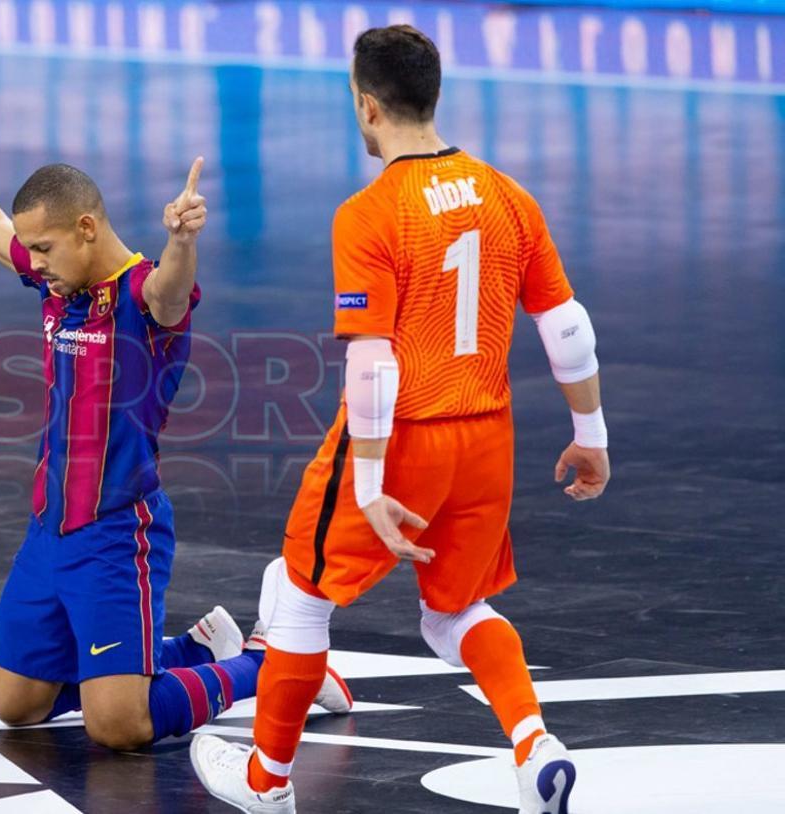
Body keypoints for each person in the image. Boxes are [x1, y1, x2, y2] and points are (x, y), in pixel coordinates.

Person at [190, 26, 609, 814]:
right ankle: (532, 745)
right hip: (487, 437)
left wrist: (374, 480)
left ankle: (267, 783)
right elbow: (568, 329)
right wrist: (592, 438)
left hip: (402, 437)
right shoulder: (509, 197)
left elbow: (374, 363)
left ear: (368, 106)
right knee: (457, 611)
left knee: (300, 594)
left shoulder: (371, 214)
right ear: (434, 95)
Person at [0, 81, 349, 752]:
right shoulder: (57, 279)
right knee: (14, 705)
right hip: (49, 527)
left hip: (117, 532)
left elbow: (172, 292)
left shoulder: (142, 300)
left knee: (117, 726)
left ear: (86, 229)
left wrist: (181, 242)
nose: (31, 264)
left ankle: (273, 663)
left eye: (43, 250)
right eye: (31, 251)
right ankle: (196, 646)